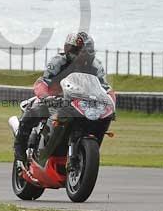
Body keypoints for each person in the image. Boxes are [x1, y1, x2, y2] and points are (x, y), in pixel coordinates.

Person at [13, 32, 116, 164]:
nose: (81, 55)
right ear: (68, 49)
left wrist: (111, 104)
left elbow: (105, 88)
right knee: (33, 110)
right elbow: (42, 83)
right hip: (55, 98)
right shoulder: (58, 61)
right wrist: (46, 97)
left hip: (80, 101)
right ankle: (20, 150)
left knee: (102, 118)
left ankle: (84, 154)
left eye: (85, 51)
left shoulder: (96, 66)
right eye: (78, 51)